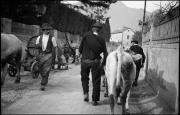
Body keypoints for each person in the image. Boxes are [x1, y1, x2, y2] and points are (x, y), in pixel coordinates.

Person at [79, 22, 108, 106]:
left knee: (84, 78)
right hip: (95, 62)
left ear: (92, 29)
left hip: (85, 61)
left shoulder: (86, 36)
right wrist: (103, 63)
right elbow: (105, 53)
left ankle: (85, 94)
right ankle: (94, 100)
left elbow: (80, 49)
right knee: (96, 81)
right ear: (99, 30)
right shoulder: (102, 40)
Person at [35, 23, 57, 91]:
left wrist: (55, 57)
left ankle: (43, 84)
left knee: (46, 69)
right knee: (41, 69)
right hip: (41, 55)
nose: (48, 31)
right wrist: (39, 46)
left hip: (49, 55)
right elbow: (36, 46)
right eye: (46, 30)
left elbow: (55, 47)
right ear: (43, 30)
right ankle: (45, 79)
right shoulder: (39, 37)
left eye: (48, 30)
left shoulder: (52, 38)